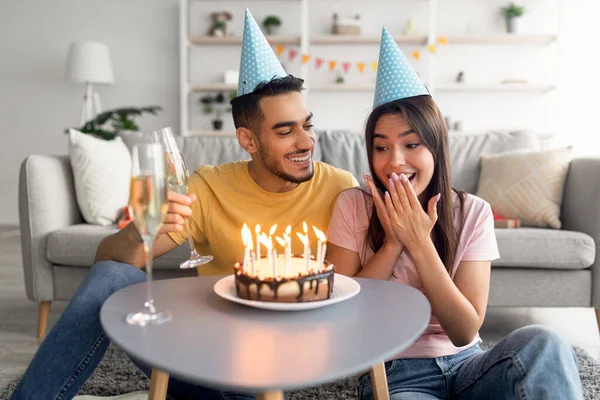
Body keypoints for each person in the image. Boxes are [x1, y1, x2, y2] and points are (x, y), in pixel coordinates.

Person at [11, 9, 357, 400]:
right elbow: (106, 262)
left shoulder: (341, 188)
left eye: (307, 125)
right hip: (211, 363)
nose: (306, 142)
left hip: (304, 369)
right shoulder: (208, 187)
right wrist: (145, 228)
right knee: (111, 277)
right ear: (248, 140)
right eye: (285, 130)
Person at [325, 27, 584, 400]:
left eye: (411, 144)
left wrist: (419, 243)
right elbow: (343, 319)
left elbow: (464, 331)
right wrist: (393, 243)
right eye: (381, 147)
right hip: (397, 376)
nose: (394, 161)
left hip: (469, 365)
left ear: (436, 148)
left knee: (544, 342)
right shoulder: (352, 205)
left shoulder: (473, 212)